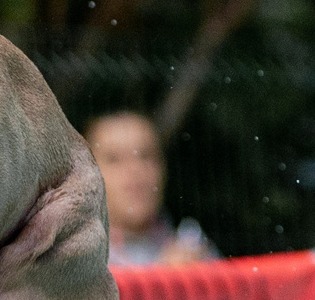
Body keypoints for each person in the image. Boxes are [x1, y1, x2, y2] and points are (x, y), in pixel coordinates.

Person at [84, 111, 218, 268]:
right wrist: (167, 283)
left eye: (146, 155)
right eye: (114, 159)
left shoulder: (196, 250)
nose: (135, 168)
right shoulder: (68, 262)